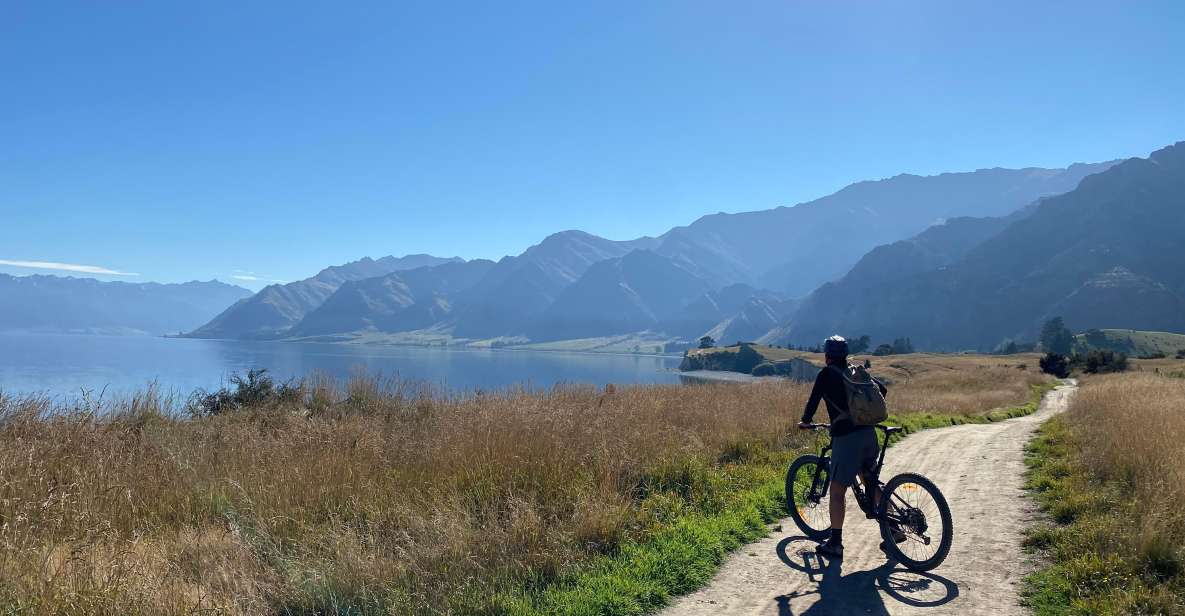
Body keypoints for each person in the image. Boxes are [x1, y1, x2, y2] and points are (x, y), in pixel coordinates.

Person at [797, 335, 889, 558]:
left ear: (827, 355)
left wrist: (806, 421)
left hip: (847, 438)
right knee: (870, 479)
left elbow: (813, 401)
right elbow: (882, 391)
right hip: (868, 433)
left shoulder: (826, 374)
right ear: (845, 355)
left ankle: (835, 543)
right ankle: (893, 530)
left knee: (837, 491)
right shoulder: (855, 372)